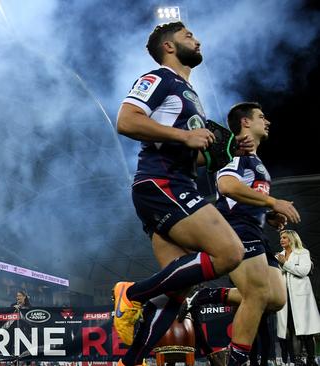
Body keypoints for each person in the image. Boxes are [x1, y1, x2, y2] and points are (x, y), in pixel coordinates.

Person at [113, 22, 254, 366]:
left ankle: (126, 363)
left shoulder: (189, 92)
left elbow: (199, 149)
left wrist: (233, 147)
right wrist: (185, 138)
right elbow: (126, 120)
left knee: (175, 293)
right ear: (169, 46)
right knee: (230, 252)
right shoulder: (158, 78)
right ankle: (129, 294)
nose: (197, 38)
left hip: (175, 185)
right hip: (161, 183)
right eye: (188, 35)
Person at [176, 102, 301, 365]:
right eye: (261, 116)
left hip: (255, 231)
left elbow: (242, 194)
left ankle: (205, 296)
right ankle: (236, 361)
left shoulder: (256, 160)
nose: (267, 122)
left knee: (276, 299)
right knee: (256, 295)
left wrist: (268, 214)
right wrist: (272, 203)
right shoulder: (235, 151)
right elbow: (227, 185)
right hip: (237, 229)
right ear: (245, 122)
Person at [276, 230, 320, 366]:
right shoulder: (278, 256)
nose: (281, 240)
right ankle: (298, 359)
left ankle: (311, 360)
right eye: (281, 237)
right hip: (286, 299)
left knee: (306, 331)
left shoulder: (303, 253)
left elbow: (303, 271)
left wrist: (286, 264)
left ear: (292, 239)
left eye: (284, 237)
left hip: (302, 300)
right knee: (292, 330)